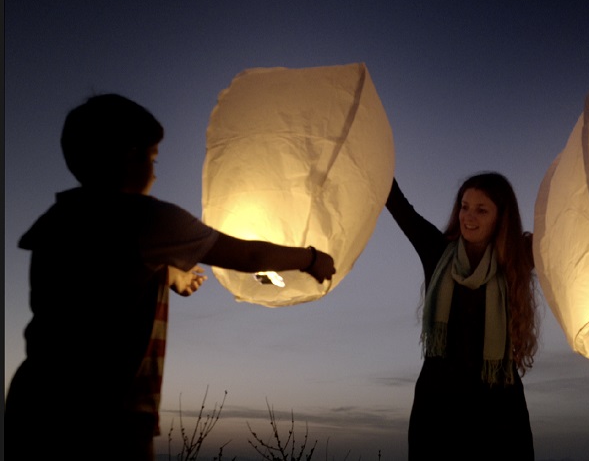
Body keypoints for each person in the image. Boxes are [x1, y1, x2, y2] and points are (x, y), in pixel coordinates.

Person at [4, 93, 336, 460]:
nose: (156, 171)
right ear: (130, 155)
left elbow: (100, 279)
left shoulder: (61, 220)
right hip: (108, 413)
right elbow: (248, 255)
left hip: (34, 402)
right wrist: (311, 258)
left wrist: (169, 274)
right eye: (152, 157)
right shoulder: (148, 218)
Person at [386, 173, 539, 460]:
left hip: (499, 407)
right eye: (464, 206)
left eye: (481, 210)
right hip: (438, 405)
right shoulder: (437, 250)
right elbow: (396, 203)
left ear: (501, 217)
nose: (468, 217)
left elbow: (570, 232)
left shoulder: (519, 255)